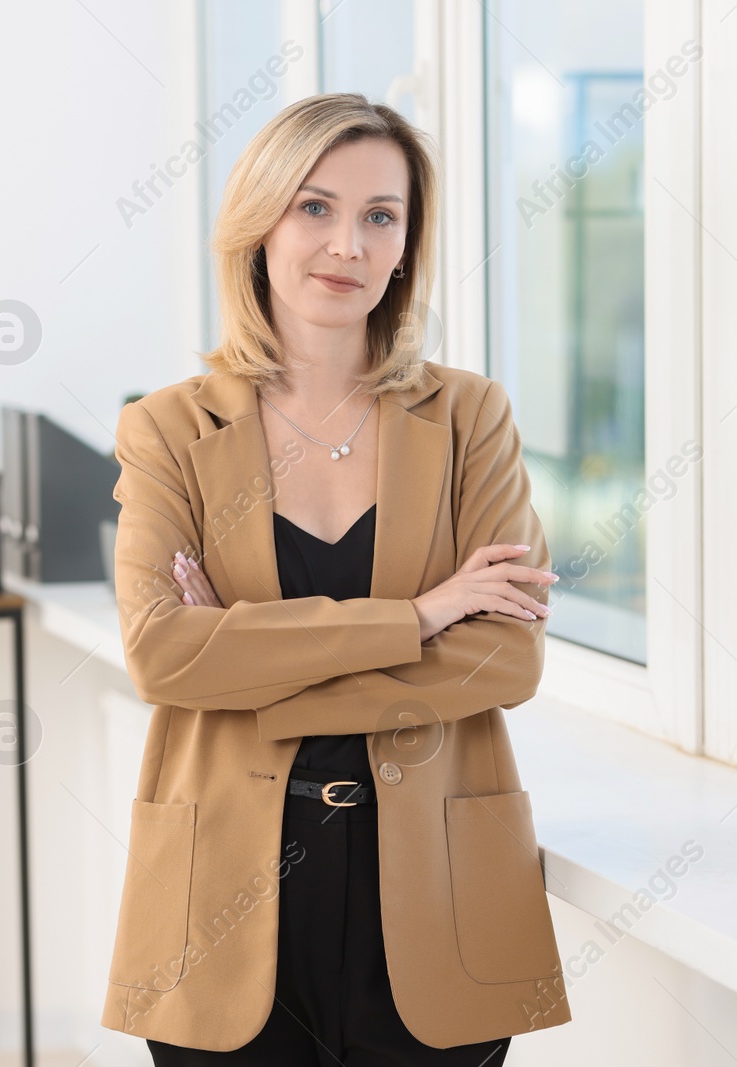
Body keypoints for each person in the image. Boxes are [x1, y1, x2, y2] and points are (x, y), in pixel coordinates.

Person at [101, 92, 572, 1065]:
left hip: (437, 897)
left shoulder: (470, 417)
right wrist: (421, 614)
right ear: (258, 223)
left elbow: (506, 659)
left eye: (379, 216)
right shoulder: (168, 430)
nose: (345, 244)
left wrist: (249, 664)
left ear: (405, 243)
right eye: (314, 207)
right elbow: (159, 651)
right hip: (221, 898)